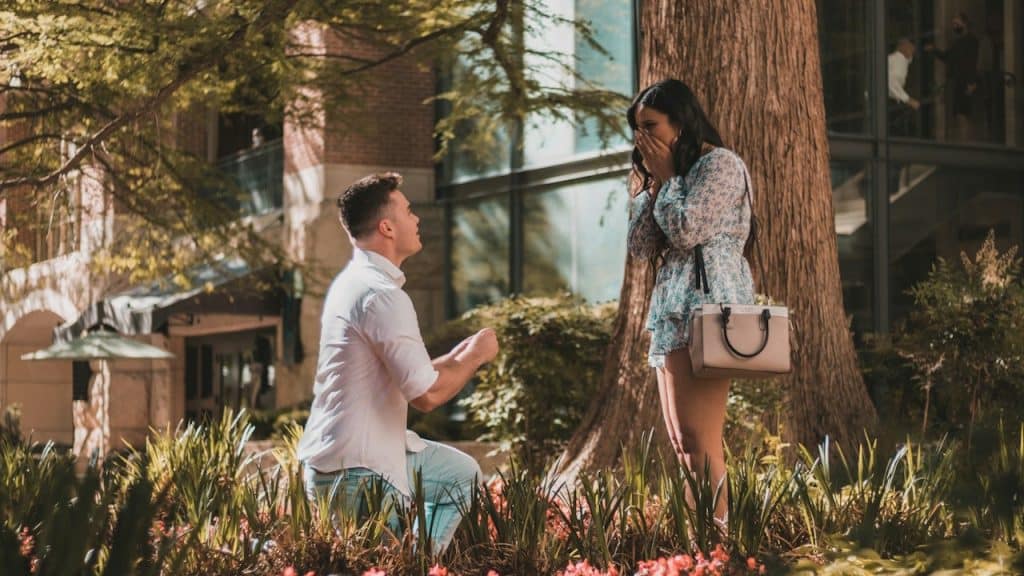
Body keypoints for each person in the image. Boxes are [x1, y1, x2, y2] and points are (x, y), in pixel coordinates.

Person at [297, 172, 499, 553]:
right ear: (387, 227)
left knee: (462, 474)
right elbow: (426, 395)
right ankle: (416, 564)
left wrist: (457, 355)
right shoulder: (381, 295)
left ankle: (420, 559)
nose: (417, 219)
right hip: (357, 472)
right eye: (408, 211)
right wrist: (477, 355)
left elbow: (411, 376)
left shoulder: (355, 282)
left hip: (354, 461)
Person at [626, 79, 755, 528]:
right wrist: (655, 185)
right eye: (636, 129)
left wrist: (668, 180)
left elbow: (684, 229)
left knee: (702, 437)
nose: (641, 138)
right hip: (671, 310)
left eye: (650, 126)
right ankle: (696, 539)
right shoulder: (668, 179)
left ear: (679, 123)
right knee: (682, 441)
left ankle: (721, 543)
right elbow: (641, 245)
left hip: (708, 305)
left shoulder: (720, 165)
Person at [925, 12, 980, 141]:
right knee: (958, 114)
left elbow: (972, 63)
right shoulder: (958, 42)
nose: (954, 27)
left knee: (964, 114)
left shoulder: (972, 41)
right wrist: (933, 50)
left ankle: (967, 144)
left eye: (956, 24)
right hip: (956, 81)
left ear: (965, 23)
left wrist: (972, 83)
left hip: (966, 81)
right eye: (953, 24)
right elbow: (947, 57)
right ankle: (962, 142)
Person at [888, 38, 920, 137]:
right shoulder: (900, 59)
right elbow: (892, 82)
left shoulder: (892, 59)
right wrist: (908, 100)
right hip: (888, 101)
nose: (912, 52)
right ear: (903, 47)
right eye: (911, 48)